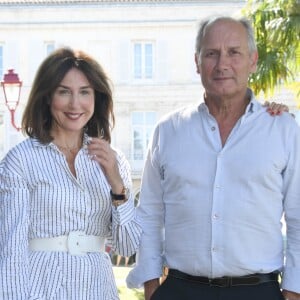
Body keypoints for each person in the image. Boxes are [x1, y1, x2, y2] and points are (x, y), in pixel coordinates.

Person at [127, 16, 300, 300]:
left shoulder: (283, 130)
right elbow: (149, 214)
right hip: (180, 290)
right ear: (197, 62)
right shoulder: (168, 131)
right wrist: (151, 287)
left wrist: (294, 291)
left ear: (253, 61)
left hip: (259, 291)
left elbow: (298, 217)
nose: (222, 64)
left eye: (234, 52)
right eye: (212, 54)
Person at [0, 47, 142, 299]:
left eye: (84, 92)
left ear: (96, 98)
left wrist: (117, 185)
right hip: (40, 288)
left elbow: (127, 245)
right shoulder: (21, 160)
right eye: (64, 92)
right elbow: (10, 248)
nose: (75, 104)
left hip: (98, 289)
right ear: (47, 97)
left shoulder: (113, 160)